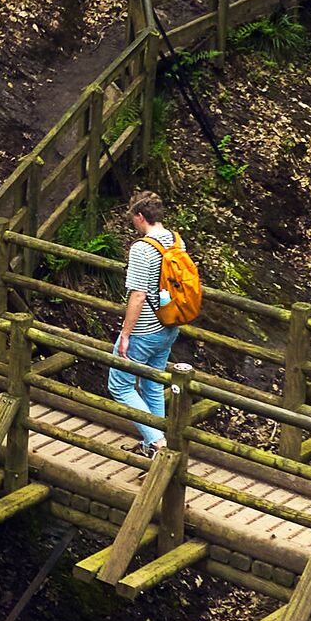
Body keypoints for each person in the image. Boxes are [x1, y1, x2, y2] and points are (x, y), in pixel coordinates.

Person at [108, 191, 189, 447]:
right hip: (170, 325)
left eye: (133, 218)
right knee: (153, 385)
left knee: (120, 386)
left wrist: (126, 334)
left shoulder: (142, 248)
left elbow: (138, 295)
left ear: (140, 217)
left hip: (144, 329)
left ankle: (157, 442)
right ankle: (151, 446)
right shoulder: (177, 241)